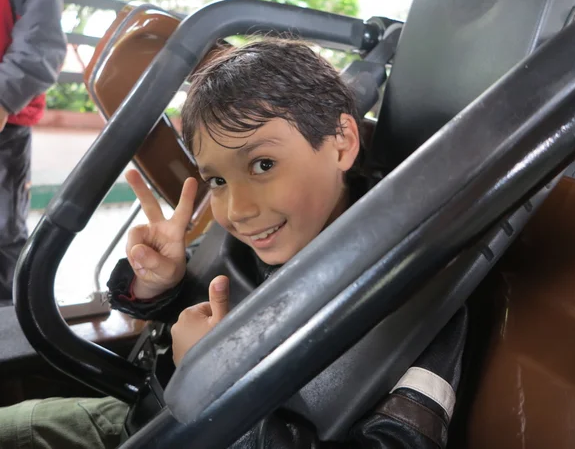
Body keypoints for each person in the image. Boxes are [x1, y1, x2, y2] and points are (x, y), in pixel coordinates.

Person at [0, 39, 466, 448]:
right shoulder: (254, 238)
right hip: (139, 420)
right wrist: (156, 285)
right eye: (217, 179)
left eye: (263, 164)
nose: (237, 208)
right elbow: (194, 314)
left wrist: (214, 390)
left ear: (342, 142)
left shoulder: (423, 301)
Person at [0, 0, 67, 304]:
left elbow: (41, 40)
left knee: (4, 231)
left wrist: (4, 97)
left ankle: (8, 317)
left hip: (5, 126)